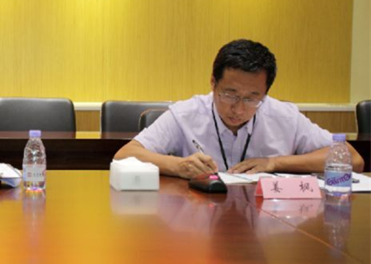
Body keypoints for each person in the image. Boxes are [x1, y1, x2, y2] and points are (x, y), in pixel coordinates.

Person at [114, 39, 364, 179]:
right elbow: (124, 155)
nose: (238, 108)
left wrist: (274, 163)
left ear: (265, 92)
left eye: (252, 98)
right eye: (229, 94)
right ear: (213, 83)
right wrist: (177, 166)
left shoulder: (283, 115)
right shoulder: (186, 114)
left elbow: (353, 159)